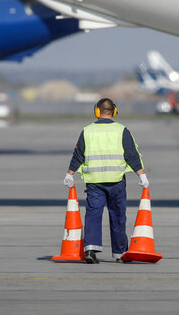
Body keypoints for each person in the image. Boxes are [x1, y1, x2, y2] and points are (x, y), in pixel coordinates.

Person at [63, 98, 149, 264]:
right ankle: (120, 253)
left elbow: (78, 155)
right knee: (117, 216)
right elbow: (132, 155)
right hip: (116, 181)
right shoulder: (122, 130)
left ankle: (90, 249)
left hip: (94, 181)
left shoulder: (87, 131)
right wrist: (142, 175)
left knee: (93, 215)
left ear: (97, 111)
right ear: (114, 111)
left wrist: (70, 173)